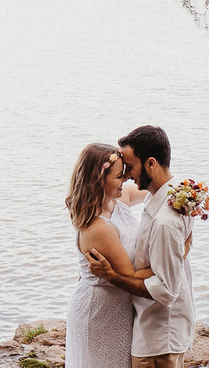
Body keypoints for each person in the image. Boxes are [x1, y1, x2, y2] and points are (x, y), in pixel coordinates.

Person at [87, 125, 195, 368]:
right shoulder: (171, 196)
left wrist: (111, 276)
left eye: (130, 166)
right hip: (153, 329)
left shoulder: (165, 220)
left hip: (158, 337)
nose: (127, 175)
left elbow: (166, 289)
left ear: (151, 164)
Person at [65, 143, 151, 368]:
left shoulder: (117, 200)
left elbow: (155, 188)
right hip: (100, 312)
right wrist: (176, 256)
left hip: (119, 307)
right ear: (98, 180)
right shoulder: (97, 227)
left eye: (125, 173)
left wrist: (185, 194)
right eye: (119, 176)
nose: (126, 179)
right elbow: (132, 277)